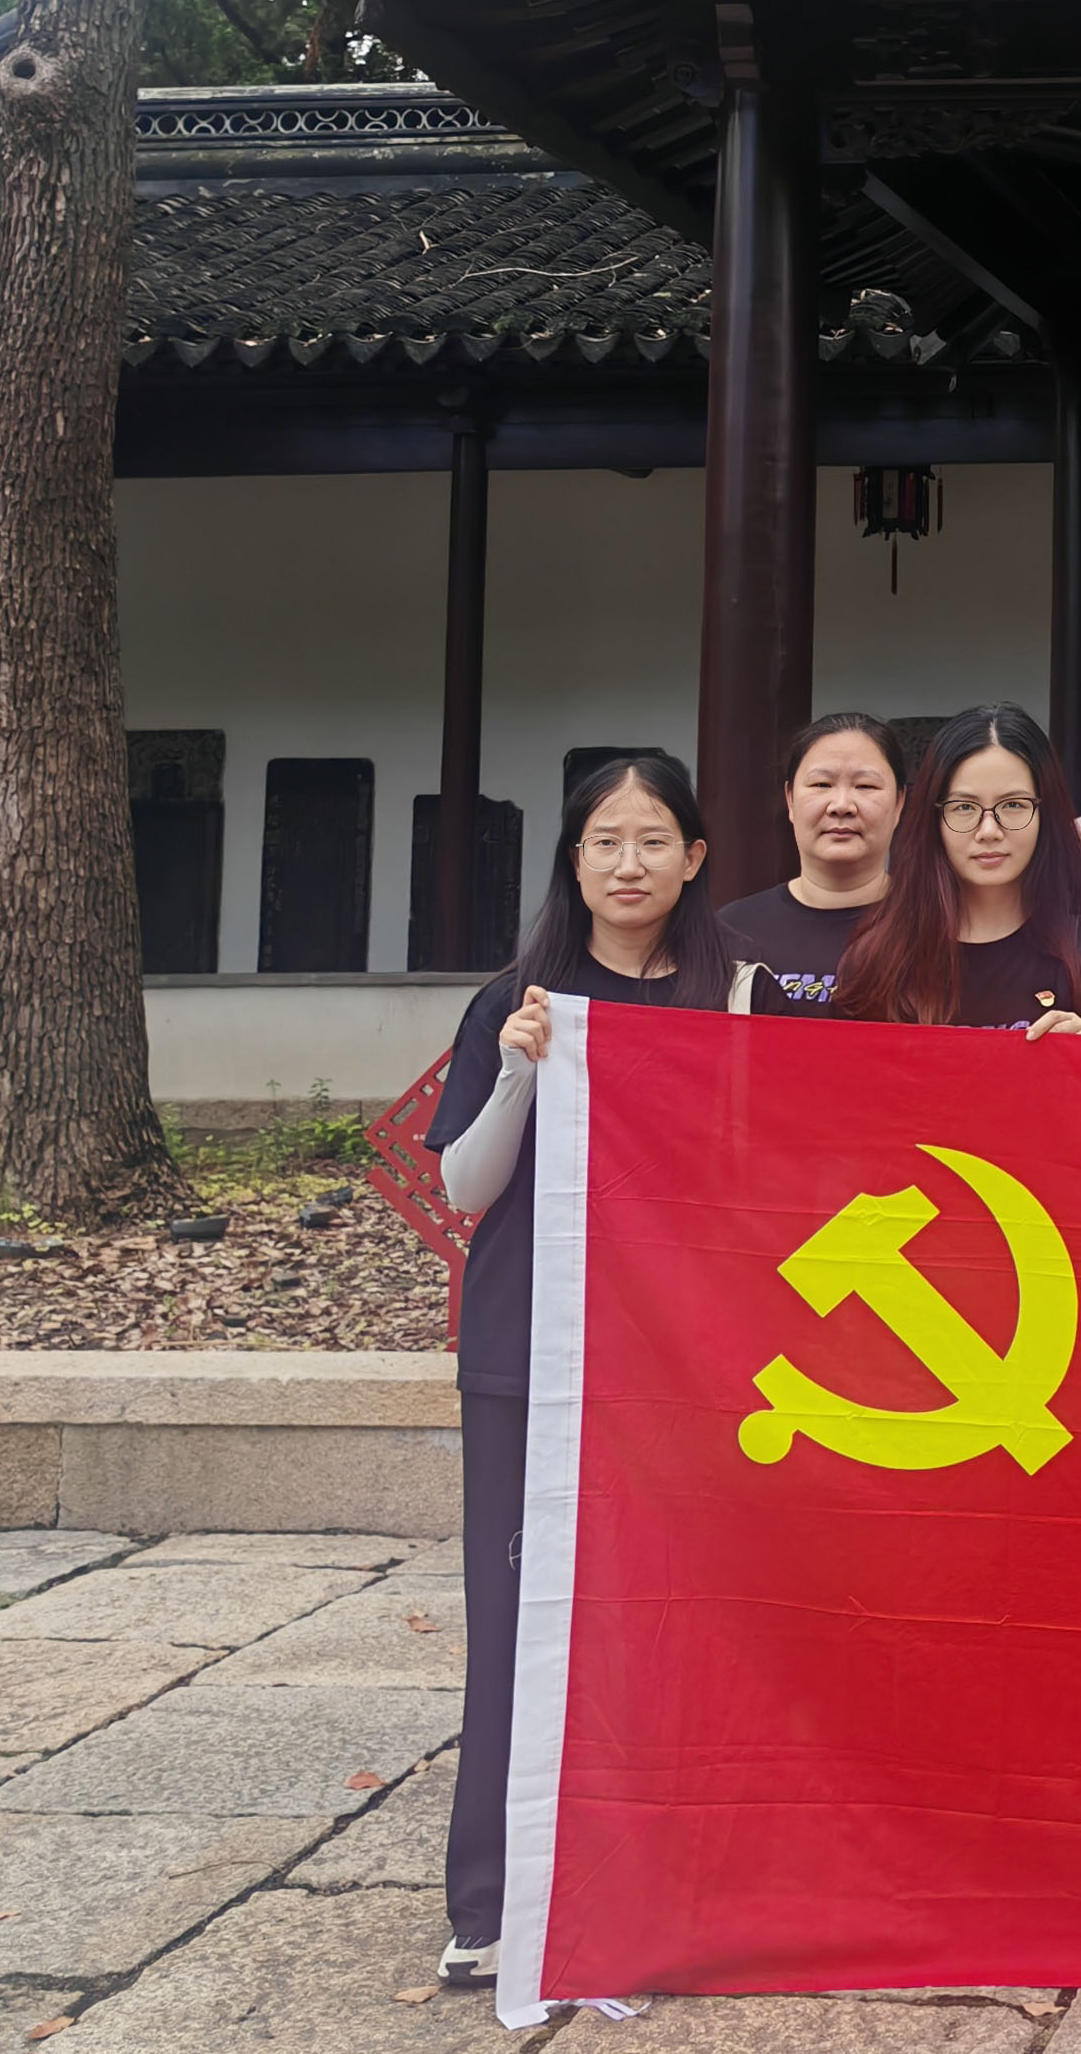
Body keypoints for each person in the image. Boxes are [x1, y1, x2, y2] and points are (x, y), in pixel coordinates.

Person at [423, 752, 735, 1994]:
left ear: (694, 858)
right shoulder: (518, 997)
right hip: (528, 1352)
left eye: (653, 841)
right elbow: (465, 1187)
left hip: (679, 1360)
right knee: (514, 1623)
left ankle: (654, 1884)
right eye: (606, 841)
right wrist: (517, 1068)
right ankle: (491, 1900)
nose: (628, 864)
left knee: (667, 1623)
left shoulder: (733, 992)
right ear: (574, 858)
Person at [834, 704, 1081, 1037]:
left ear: (1046, 813)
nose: (989, 831)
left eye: (1014, 805)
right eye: (964, 807)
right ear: (934, 819)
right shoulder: (875, 962)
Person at [715, 711, 905, 1015]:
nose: (841, 805)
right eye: (821, 784)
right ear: (790, 799)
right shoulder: (730, 931)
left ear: (899, 803)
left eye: (865, 786)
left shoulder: (936, 927)